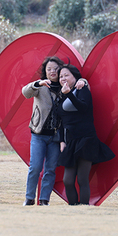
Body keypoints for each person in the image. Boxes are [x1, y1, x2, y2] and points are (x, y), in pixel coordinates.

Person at [21, 57, 87, 206]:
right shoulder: (41, 86)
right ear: (45, 71)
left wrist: (84, 81)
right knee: (35, 167)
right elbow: (25, 92)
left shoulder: (65, 87)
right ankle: (29, 198)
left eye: (56, 69)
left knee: (50, 169)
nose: (52, 72)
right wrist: (38, 83)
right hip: (38, 134)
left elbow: (79, 81)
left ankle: (44, 200)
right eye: (49, 69)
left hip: (56, 137)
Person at [56, 64, 114, 205]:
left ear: (75, 77)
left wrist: (69, 93)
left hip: (86, 139)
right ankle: (73, 208)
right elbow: (61, 121)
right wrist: (62, 141)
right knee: (68, 180)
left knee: (82, 178)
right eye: (61, 76)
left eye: (66, 75)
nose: (63, 78)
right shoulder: (61, 94)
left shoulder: (82, 90)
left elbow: (83, 107)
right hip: (70, 141)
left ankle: (84, 208)